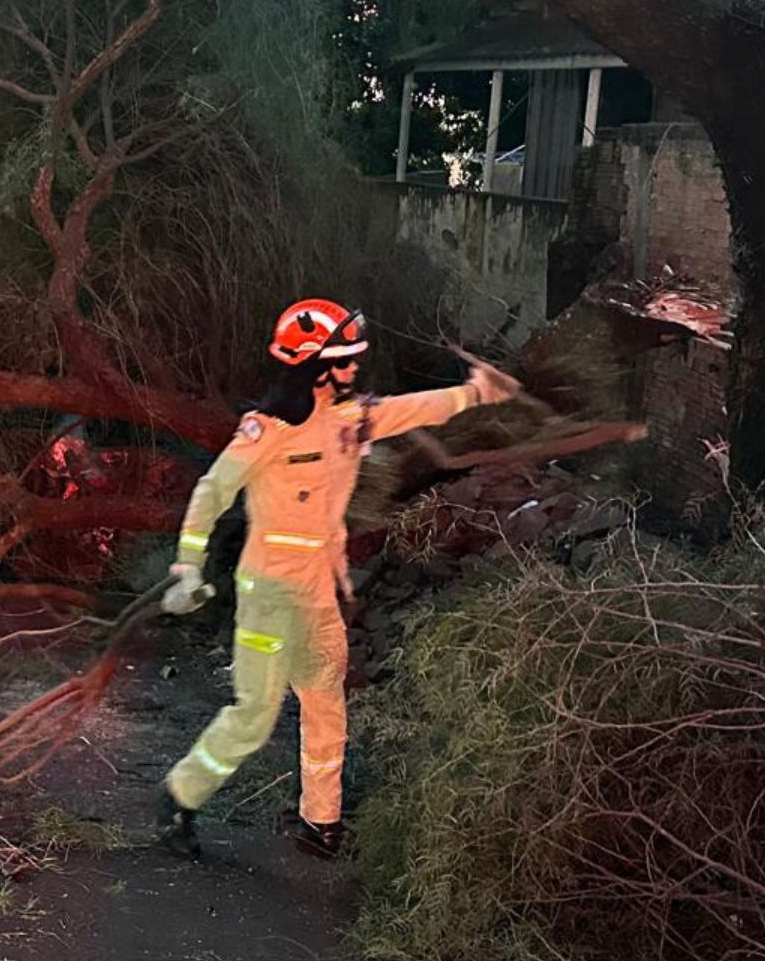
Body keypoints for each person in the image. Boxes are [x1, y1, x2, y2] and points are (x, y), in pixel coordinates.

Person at [155, 299, 518, 860]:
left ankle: (320, 822)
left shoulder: (351, 419)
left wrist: (475, 392)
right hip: (268, 597)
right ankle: (180, 797)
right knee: (254, 715)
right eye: (346, 358)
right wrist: (186, 566)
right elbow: (212, 491)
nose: (356, 368)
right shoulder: (266, 430)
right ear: (314, 365)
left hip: (318, 596)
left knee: (326, 706)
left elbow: (412, 409)